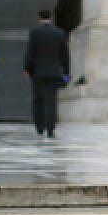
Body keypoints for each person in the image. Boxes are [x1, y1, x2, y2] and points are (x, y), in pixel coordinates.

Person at [23, 10, 70, 139]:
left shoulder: (35, 32)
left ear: (39, 18)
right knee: (51, 101)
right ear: (51, 17)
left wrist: (27, 68)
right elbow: (65, 55)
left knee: (38, 100)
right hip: (54, 73)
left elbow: (30, 52)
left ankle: (40, 127)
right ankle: (50, 129)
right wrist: (66, 72)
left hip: (38, 73)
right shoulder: (59, 33)